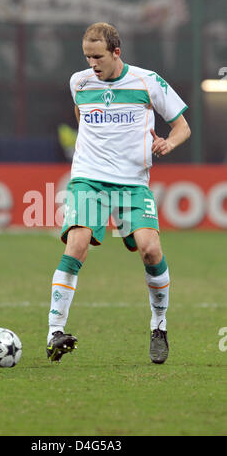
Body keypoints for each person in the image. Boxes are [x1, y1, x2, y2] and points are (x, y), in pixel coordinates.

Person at [46, 22, 191, 364]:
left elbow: (183, 126)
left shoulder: (148, 81)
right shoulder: (79, 82)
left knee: (150, 250)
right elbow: (83, 118)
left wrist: (167, 142)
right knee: (77, 244)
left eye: (98, 56)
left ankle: (159, 325)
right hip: (88, 179)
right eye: (87, 56)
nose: (92, 63)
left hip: (132, 183)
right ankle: (54, 331)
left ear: (116, 53)